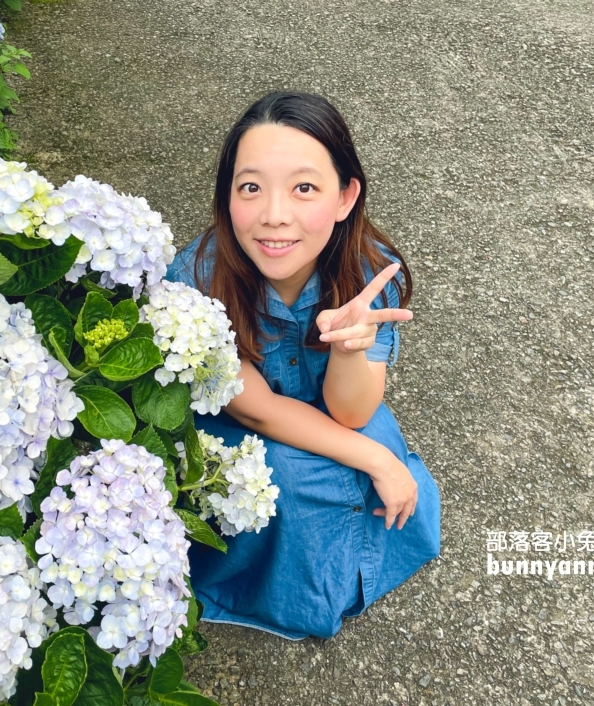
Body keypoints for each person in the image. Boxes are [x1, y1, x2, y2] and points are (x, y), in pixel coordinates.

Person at [164, 90, 442, 640]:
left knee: (369, 453)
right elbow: (258, 410)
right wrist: (379, 463)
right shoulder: (195, 276)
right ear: (227, 196)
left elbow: (352, 411)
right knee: (289, 481)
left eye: (304, 188)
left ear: (345, 197)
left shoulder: (369, 272)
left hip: (331, 410)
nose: (274, 216)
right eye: (251, 187)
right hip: (239, 420)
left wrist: (348, 350)